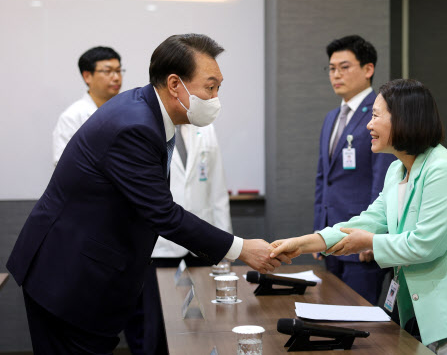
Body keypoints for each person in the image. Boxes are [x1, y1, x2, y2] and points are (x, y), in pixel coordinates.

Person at [6, 33, 288, 354]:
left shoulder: (146, 112)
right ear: (174, 84)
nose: (216, 98)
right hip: (67, 277)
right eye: (210, 87)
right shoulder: (134, 126)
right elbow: (162, 213)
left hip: (87, 270)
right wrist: (240, 248)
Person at [271, 79, 447, 354]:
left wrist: (370, 242)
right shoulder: (397, 171)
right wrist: (302, 244)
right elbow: (367, 221)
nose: (368, 125)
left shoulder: (443, 169)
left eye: (375, 115)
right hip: (435, 313)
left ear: (403, 119)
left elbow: (425, 244)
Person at [124, 123, 233, 355]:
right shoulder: (149, 128)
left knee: (205, 324)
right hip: (160, 247)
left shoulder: (207, 128)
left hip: (202, 245)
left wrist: (225, 245)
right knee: (158, 325)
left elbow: (218, 190)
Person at [314, 35, 396, 304]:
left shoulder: (380, 111)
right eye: (332, 68)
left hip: (360, 240)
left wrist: (373, 237)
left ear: (368, 69)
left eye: (344, 67)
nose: (336, 74)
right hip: (332, 238)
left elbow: (381, 179)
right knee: (332, 314)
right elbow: (323, 179)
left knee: (360, 322)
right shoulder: (331, 117)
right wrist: (319, 232)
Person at [53, 46, 123, 165]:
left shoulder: (128, 110)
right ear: (87, 76)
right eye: (108, 71)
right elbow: (64, 164)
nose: (116, 77)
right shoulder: (72, 117)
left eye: (118, 71)